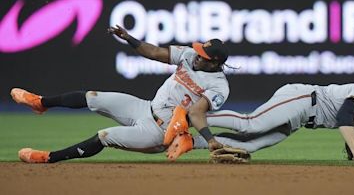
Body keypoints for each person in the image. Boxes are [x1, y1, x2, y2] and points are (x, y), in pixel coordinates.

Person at [12, 25, 230, 163]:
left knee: (104, 136)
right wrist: (129, 38)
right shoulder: (190, 55)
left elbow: (196, 113)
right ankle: (40, 103)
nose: (198, 56)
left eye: (203, 56)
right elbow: (154, 52)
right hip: (145, 107)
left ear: (215, 62)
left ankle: (48, 158)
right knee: (93, 97)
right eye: (200, 51)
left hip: (159, 131)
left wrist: (209, 140)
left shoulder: (219, 87)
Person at [187, 83, 354, 161]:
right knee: (251, 122)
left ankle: (191, 142)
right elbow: (344, 117)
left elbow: (352, 129)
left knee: (252, 143)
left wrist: (353, 152)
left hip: (301, 120)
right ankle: (191, 117)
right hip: (304, 99)